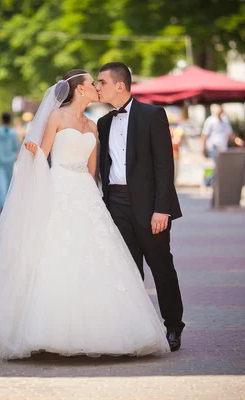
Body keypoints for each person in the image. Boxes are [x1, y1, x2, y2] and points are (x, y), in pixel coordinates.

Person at [0, 69, 171, 361]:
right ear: (80, 90)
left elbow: (94, 171)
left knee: (96, 256)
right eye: (92, 83)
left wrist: (98, 200)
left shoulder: (95, 125)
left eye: (100, 82)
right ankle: (42, 332)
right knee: (54, 254)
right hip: (58, 189)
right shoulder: (56, 118)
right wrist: (33, 153)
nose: (97, 87)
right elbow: (40, 156)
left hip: (86, 194)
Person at [96, 62, 184, 352]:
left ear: (119, 85)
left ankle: (173, 326)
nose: (98, 87)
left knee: (161, 266)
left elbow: (164, 165)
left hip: (150, 207)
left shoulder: (152, 114)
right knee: (129, 270)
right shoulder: (103, 123)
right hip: (115, 205)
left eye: (102, 82)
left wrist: (163, 208)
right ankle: (134, 329)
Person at [200, 105, 243, 186]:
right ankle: (208, 182)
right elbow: (204, 135)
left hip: (222, 148)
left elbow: (230, 134)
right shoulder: (210, 121)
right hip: (213, 147)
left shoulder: (225, 121)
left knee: (221, 166)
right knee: (218, 165)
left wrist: (237, 140)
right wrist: (203, 148)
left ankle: (211, 181)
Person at [0, 112, 19, 212]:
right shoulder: (13, 133)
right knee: (8, 181)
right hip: (10, 159)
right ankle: (8, 203)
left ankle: (2, 203)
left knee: (0, 180)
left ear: (2, 120)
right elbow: (16, 147)